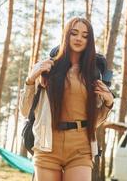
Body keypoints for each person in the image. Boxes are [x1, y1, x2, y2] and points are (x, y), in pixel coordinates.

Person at [19, 17, 114, 181]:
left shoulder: (92, 75)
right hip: (47, 145)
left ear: (89, 41)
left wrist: (108, 103)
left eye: (85, 36)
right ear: (66, 35)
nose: (79, 38)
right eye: (74, 33)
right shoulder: (48, 69)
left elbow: (94, 120)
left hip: (80, 147)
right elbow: (24, 110)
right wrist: (30, 80)